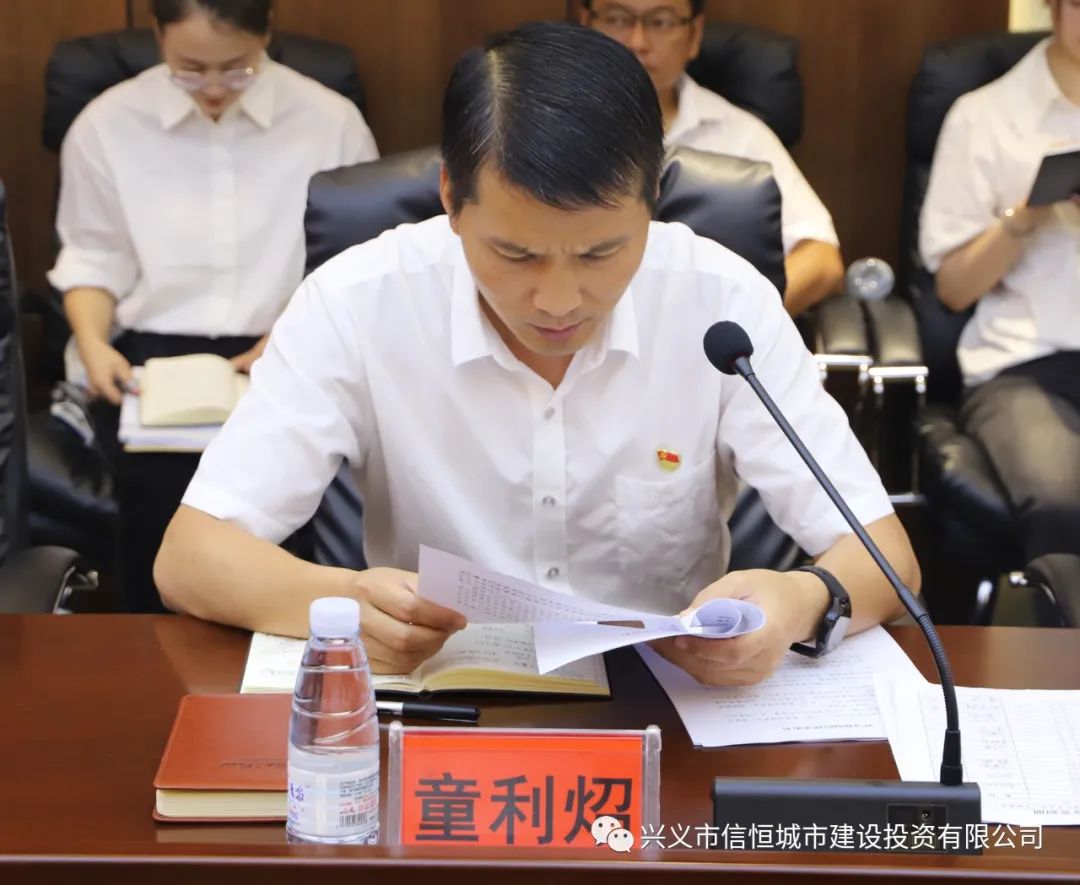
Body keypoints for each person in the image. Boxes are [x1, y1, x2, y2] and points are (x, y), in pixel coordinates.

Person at [156, 22, 916, 687]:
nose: (558, 300)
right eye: (516, 254)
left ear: (653, 198)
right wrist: (341, 601)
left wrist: (801, 599)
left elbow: (886, 559)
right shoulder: (357, 301)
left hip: (666, 703)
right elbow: (190, 557)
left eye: (600, 253)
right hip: (445, 704)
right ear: (451, 198)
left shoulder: (723, 304)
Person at [48, 0, 379, 612]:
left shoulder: (330, 121)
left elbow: (350, 263)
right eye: (190, 69)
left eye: (237, 68)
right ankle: (155, 652)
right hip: (149, 359)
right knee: (160, 501)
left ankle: (283, 653)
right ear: (157, 35)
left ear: (267, 32)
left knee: (288, 496)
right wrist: (92, 344)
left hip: (287, 346)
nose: (215, 88)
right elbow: (93, 260)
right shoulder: (107, 124)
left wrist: (287, 338)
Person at [919, 0, 1080, 622]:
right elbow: (954, 289)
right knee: (1065, 501)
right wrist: (1026, 214)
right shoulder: (986, 116)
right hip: (1024, 368)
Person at [580, 0, 844, 318]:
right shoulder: (543, 124)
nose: (637, 42)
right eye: (616, 18)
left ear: (694, 35)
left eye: (660, 22)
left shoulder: (740, 135)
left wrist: (737, 323)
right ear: (586, 23)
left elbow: (821, 260)